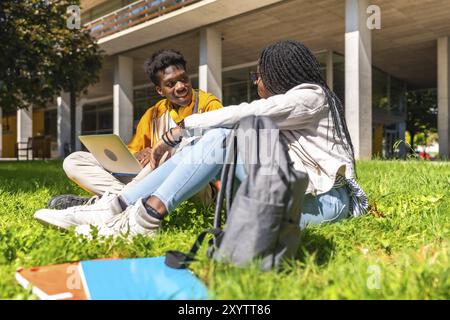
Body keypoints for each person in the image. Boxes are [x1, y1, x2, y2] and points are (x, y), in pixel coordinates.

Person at [35, 40, 368, 237]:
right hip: (276, 192)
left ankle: (134, 214)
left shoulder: (311, 97)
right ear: (159, 90)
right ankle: (119, 208)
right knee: (217, 139)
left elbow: (242, 115)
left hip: (323, 203)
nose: (256, 82)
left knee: (219, 137)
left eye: (259, 76)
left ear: (280, 76)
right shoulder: (154, 112)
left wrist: (179, 131)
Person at [47, 49, 223, 210]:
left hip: (197, 188)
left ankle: (108, 203)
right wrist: (140, 154)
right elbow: (132, 156)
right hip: (150, 184)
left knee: (172, 152)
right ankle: (124, 202)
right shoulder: (153, 114)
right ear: (160, 90)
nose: (180, 87)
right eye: (170, 84)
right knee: (74, 160)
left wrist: (160, 150)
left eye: (183, 79)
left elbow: (218, 151)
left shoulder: (209, 104)